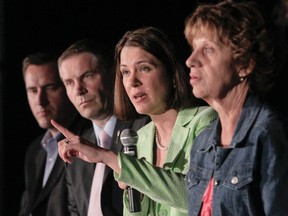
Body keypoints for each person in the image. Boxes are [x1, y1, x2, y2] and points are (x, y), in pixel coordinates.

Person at [53, 26, 217, 216]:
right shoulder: (139, 138)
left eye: (144, 68)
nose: (132, 82)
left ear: (171, 72)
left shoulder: (205, 121)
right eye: (125, 72)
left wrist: (109, 157)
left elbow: (197, 196)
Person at [184, 1, 288, 215]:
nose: (190, 60)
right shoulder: (202, 143)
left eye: (208, 49)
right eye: (194, 49)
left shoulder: (268, 134)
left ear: (245, 64)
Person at [56, 39, 149, 216]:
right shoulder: (76, 150)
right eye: (69, 82)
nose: (78, 90)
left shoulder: (142, 129)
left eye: (87, 76)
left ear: (111, 75)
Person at [19, 52, 87, 216]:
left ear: (68, 86)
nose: (40, 101)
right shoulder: (35, 150)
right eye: (32, 90)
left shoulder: (88, 143)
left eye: (50, 87)